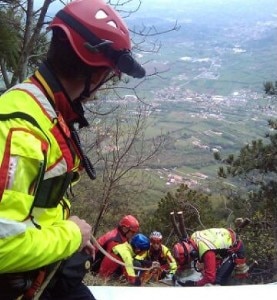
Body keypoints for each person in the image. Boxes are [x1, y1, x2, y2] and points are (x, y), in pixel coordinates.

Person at [0, 0, 145, 298]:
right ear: (95, 73)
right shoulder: (23, 132)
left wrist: (69, 228)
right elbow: (2, 248)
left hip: (41, 272)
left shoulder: (42, 107)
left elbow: (31, 207)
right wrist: (72, 234)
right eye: (109, 75)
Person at [172, 228, 249, 287]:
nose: (191, 260)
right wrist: (176, 275)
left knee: (217, 282)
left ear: (192, 254)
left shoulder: (207, 251)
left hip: (235, 251)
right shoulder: (193, 238)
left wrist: (193, 284)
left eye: (190, 259)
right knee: (208, 272)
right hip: (225, 247)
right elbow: (184, 265)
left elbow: (210, 278)